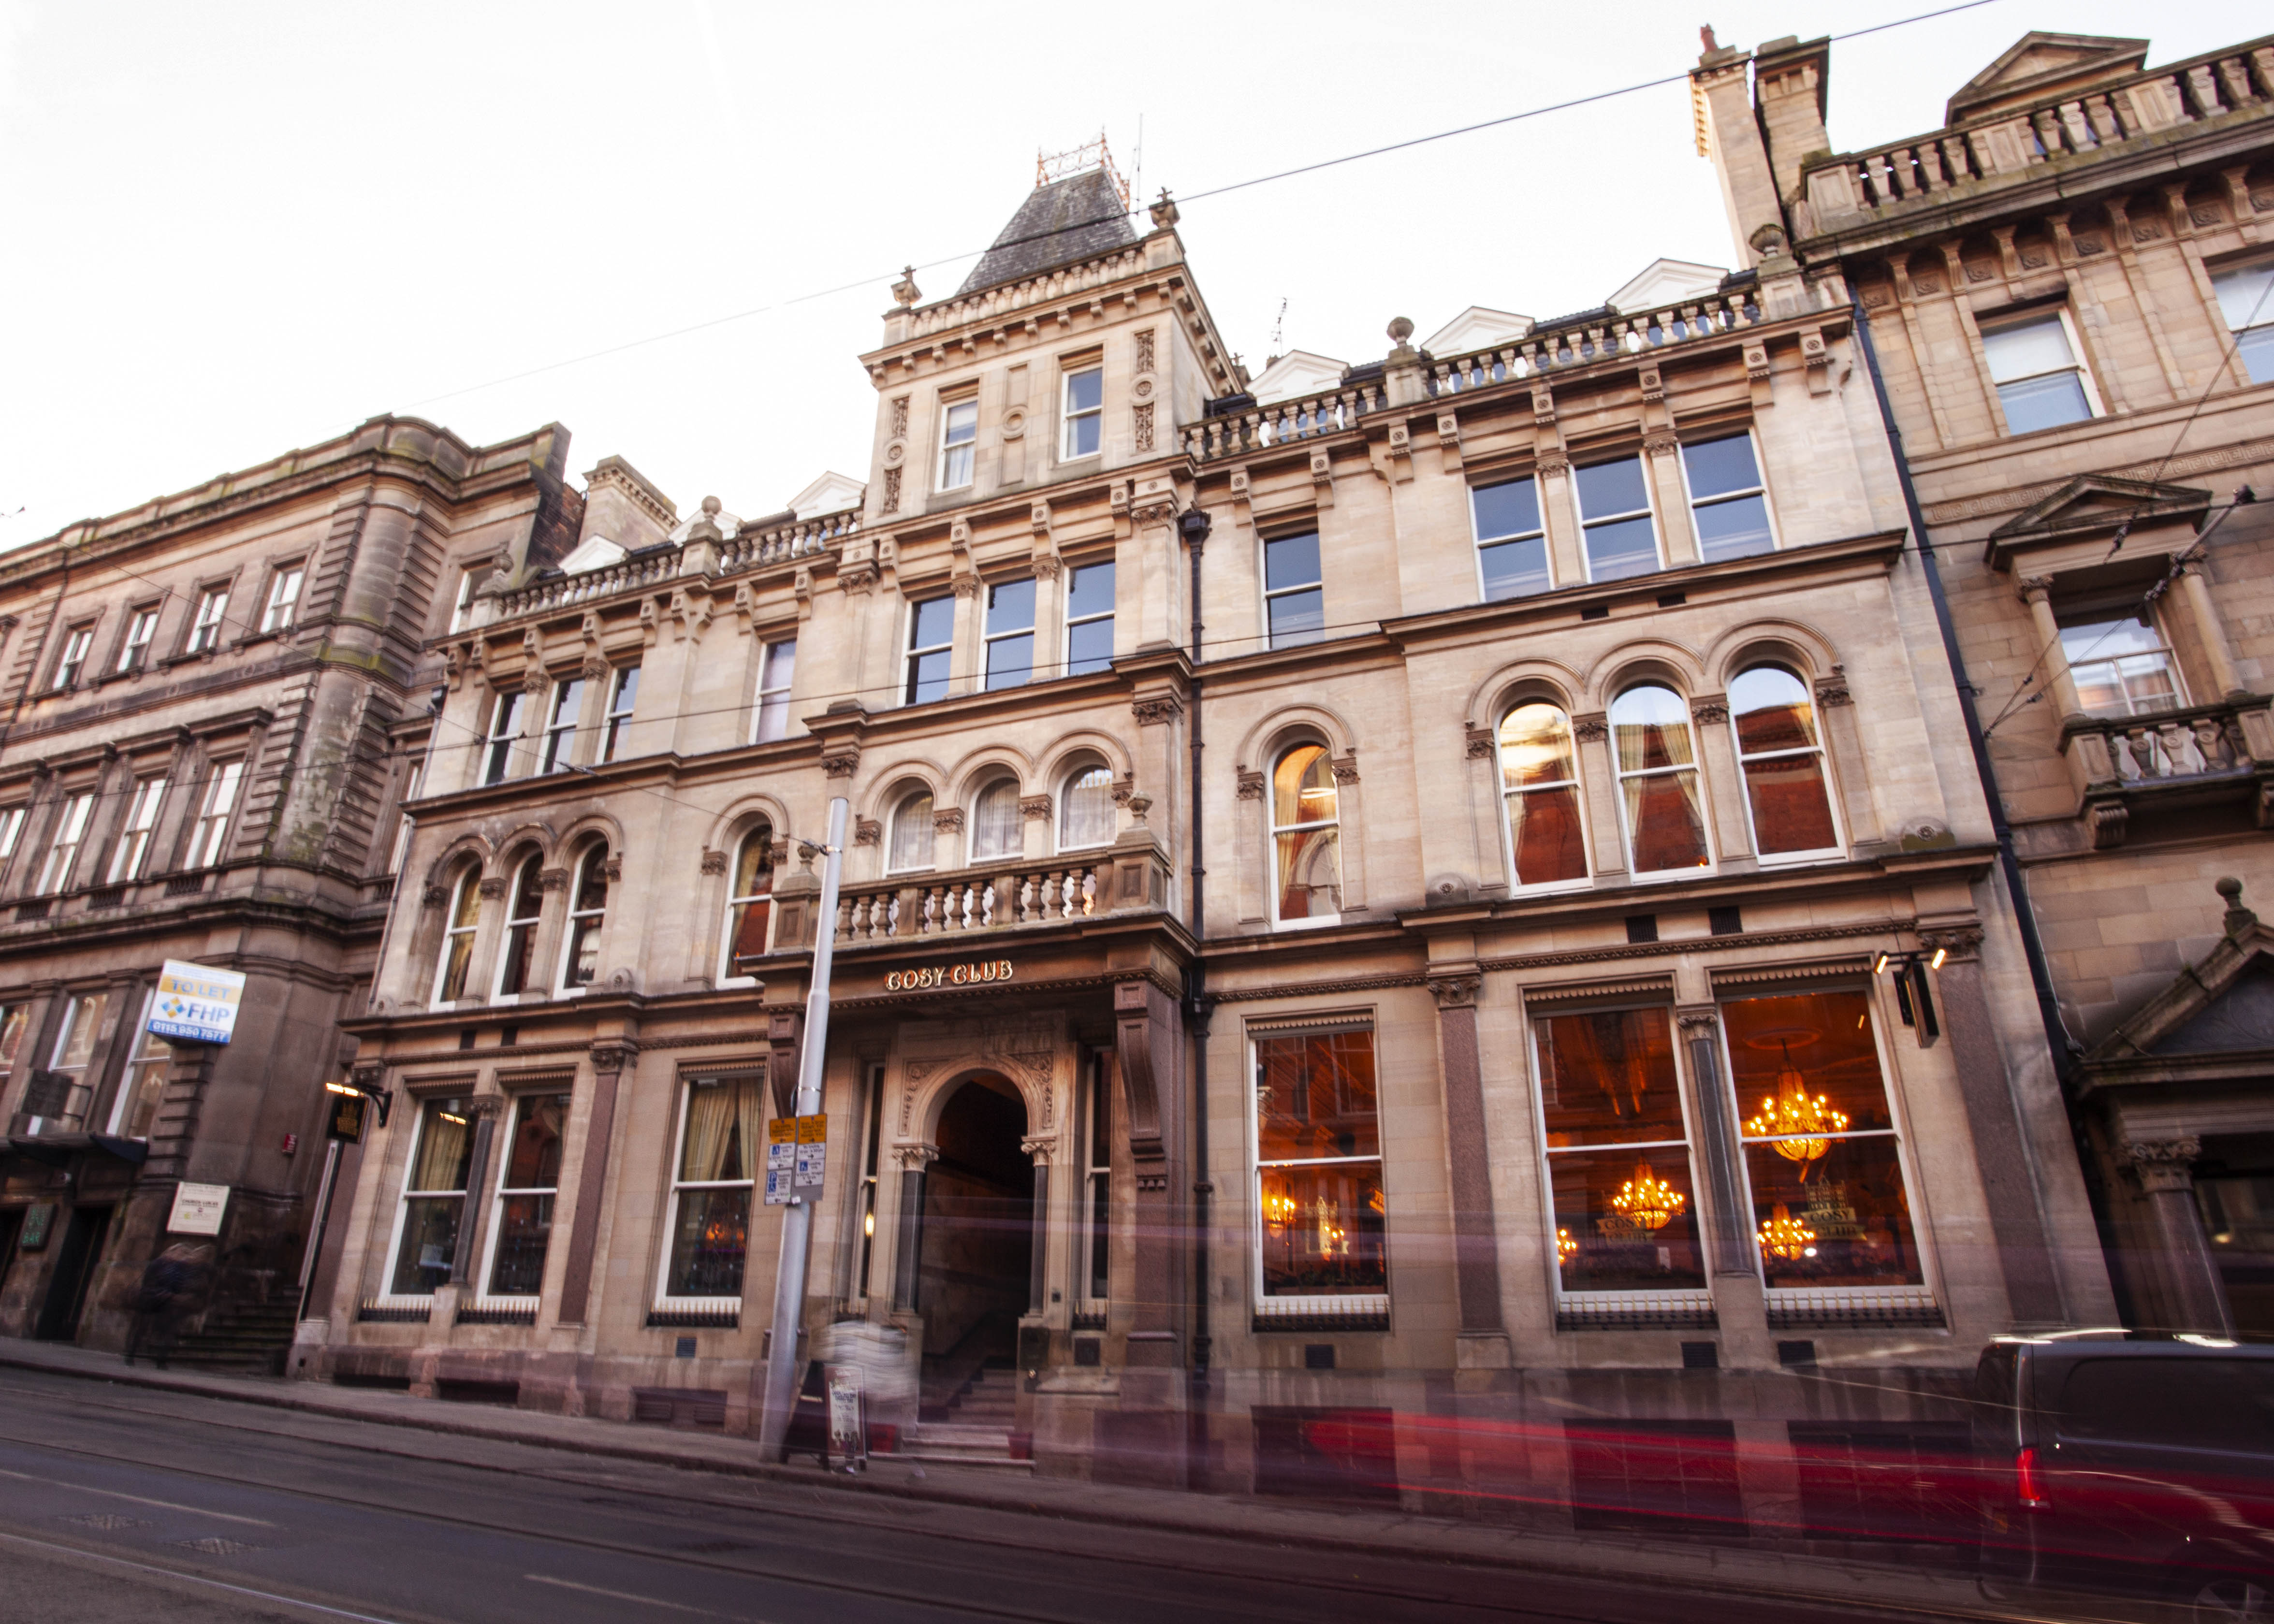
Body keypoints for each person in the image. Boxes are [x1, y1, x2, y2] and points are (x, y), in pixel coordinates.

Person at [124, 1243, 198, 1368]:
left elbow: (179, 1285)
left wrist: (176, 1295)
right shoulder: (158, 1264)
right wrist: (165, 1293)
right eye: (179, 1253)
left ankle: (161, 1359)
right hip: (151, 1299)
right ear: (171, 1251)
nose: (181, 1256)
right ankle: (131, 1354)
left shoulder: (179, 1268)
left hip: (167, 1302)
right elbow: (149, 1283)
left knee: (168, 1330)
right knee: (142, 1327)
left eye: (184, 1254)